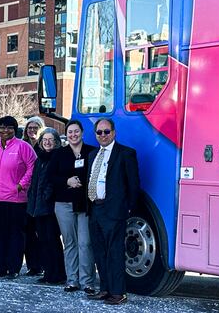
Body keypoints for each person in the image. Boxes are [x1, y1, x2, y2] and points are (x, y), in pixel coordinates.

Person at [86, 118, 140, 305]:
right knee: (99, 252)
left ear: (114, 132)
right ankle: (105, 289)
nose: (102, 135)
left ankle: (118, 292)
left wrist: (127, 208)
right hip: (95, 209)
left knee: (115, 252)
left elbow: (133, 185)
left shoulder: (125, 153)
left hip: (114, 211)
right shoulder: (93, 154)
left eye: (106, 131)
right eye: (99, 132)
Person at [0, 116, 37, 279]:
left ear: (15, 129)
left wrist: (21, 185)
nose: (5, 131)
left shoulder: (23, 147)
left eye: (9, 127)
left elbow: (33, 167)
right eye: (2, 127)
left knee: (14, 234)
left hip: (15, 199)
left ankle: (13, 268)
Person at [48, 119, 96, 294]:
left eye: (76, 131)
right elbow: (51, 176)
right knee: (70, 243)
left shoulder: (91, 152)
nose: (73, 135)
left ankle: (88, 281)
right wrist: (66, 181)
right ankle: (72, 280)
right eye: (70, 132)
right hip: (63, 203)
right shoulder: (59, 154)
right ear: (66, 135)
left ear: (82, 132)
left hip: (84, 204)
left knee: (85, 243)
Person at [26, 128, 66, 285]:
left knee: (53, 241)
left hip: (50, 208)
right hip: (37, 207)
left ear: (56, 142)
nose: (48, 142)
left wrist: (46, 198)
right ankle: (48, 272)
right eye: (45, 140)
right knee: (43, 241)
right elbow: (34, 184)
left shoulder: (58, 158)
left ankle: (58, 274)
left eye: (51, 140)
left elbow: (54, 183)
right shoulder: (39, 159)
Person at [21, 116, 45, 277]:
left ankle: (43, 263)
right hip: (24, 195)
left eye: (35, 127)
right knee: (27, 232)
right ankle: (32, 265)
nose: (32, 130)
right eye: (29, 128)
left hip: (40, 196)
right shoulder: (22, 146)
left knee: (42, 232)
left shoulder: (45, 146)